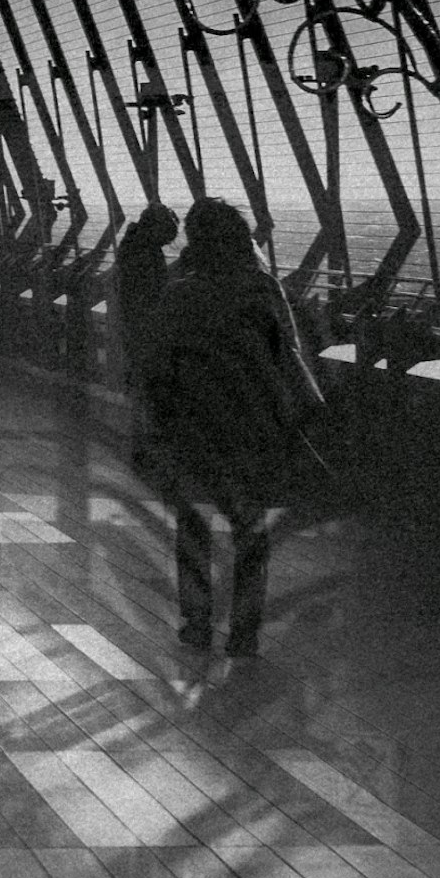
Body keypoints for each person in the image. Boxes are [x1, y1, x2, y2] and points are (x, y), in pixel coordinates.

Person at [137, 196, 308, 660]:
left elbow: (157, 365)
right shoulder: (262, 288)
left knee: (192, 526)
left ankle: (197, 624)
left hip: (193, 427)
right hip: (252, 429)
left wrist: (153, 426)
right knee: (250, 530)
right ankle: (245, 633)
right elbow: (287, 356)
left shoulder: (179, 292)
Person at [111, 203, 180, 401]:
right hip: (145, 323)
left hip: (134, 320)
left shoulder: (132, 244)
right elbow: (152, 289)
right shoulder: (145, 252)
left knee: (138, 369)